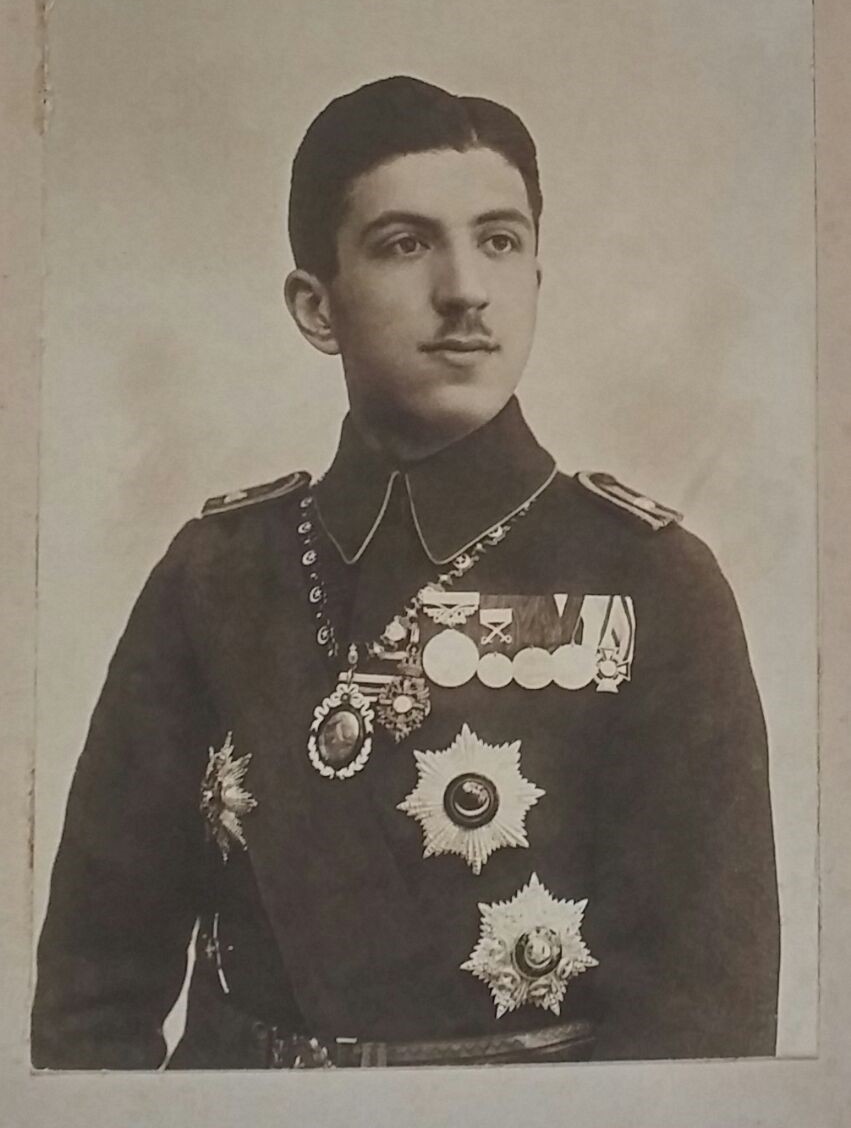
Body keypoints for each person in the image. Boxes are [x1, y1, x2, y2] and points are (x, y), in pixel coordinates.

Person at [32, 76, 780, 1070]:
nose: (465, 287)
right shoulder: (214, 574)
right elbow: (93, 988)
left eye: (499, 239)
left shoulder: (651, 579)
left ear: (535, 282)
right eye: (404, 242)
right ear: (315, 305)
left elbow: (701, 1026)